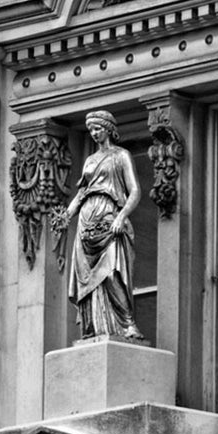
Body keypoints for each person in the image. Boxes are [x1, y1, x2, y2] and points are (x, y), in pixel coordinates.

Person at [62, 110, 146, 340]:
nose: (94, 133)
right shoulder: (90, 160)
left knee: (112, 273)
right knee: (88, 280)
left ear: (108, 128)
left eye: (97, 128)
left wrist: (121, 217)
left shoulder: (121, 155)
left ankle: (127, 324)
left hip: (110, 220)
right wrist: (66, 216)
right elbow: (81, 194)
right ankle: (93, 327)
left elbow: (135, 191)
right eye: (90, 130)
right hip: (87, 224)